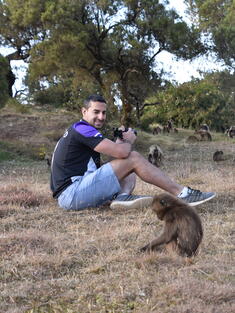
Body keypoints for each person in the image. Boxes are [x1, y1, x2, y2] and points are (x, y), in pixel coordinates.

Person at [50, 94, 216, 211]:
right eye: (96, 112)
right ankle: (182, 193)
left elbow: (115, 159)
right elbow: (122, 154)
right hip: (72, 194)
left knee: (128, 162)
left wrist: (120, 141)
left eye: (104, 112)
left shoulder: (79, 130)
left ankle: (121, 198)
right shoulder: (82, 129)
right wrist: (128, 140)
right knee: (133, 157)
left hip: (74, 192)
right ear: (84, 112)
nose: (101, 117)